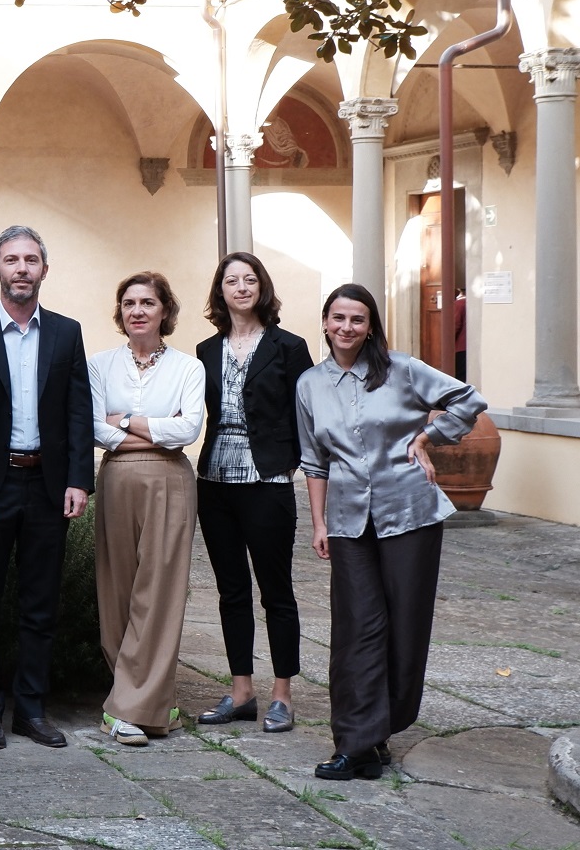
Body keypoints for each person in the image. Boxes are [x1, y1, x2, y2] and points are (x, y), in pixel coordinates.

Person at [297, 283, 487, 781]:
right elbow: (314, 462)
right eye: (338, 318)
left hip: (410, 512)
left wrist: (428, 436)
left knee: (405, 625)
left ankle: (380, 730)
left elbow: (469, 399)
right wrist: (318, 523)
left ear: (370, 326)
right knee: (356, 628)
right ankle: (354, 742)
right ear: (324, 321)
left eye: (357, 319)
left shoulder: (401, 370)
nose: (346, 327)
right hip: (346, 520)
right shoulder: (309, 385)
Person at [0, 226, 92, 751]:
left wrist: (80, 478)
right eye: (11, 260)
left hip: (47, 484)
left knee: (41, 605)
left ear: (43, 269)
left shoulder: (66, 332)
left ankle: (31, 710)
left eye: (30, 260)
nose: (21, 269)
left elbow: (77, 410)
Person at [193, 252, 313, 735]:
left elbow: (307, 410)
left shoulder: (289, 346)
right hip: (215, 483)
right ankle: (241, 690)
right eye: (231, 280)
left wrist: (293, 458)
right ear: (220, 291)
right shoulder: (206, 349)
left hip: (267, 483)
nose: (241, 287)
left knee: (276, 591)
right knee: (231, 592)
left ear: (262, 287)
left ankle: (282, 694)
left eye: (249, 279)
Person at [90, 271, 205, 746]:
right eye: (129, 303)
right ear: (121, 313)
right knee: (116, 587)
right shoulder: (99, 364)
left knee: (158, 591)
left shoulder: (187, 367)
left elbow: (189, 429)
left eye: (148, 302)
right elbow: (96, 428)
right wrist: (154, 426)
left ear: (165, 311)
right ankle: (147, 701)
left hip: (171, 481)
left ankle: (126, 709)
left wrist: (129, 421)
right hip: (117, 476)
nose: (138, 310)